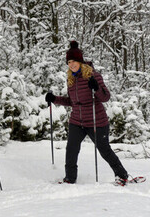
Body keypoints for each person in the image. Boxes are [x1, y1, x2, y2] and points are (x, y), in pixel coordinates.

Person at [45, 40, 129, 185]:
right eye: (69, 62)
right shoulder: (71, 79)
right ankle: (70, 178)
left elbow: (105, 97)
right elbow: (71, 102)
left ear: (80, 61)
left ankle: (122, 175)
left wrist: (96, 88)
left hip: (96, 120)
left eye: (74, 61)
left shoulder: (93, 76)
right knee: (71, 149)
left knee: (104, 150)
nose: (71, 64)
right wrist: (54, 99)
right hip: (77, 120)